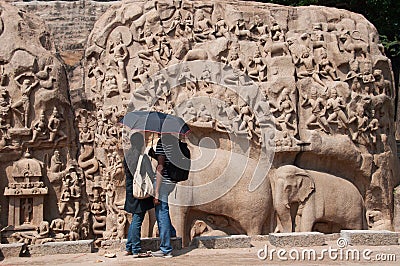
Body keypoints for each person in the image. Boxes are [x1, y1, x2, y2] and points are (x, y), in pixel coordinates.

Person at [124, 132, 154, 258]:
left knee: (134, 219)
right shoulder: (142, 157)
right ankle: (136, 249)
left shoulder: (127, 156)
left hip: (131, 191)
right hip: (140, 191)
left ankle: (129, 247)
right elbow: (150, 174)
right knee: (137, 220)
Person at [151, 134, 177, 258]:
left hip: (163, 182)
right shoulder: (174, 142)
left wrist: (156, 192)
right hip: (172, 181)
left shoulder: (163, 143)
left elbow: (160, 167)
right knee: (164, 211)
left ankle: (166, 249)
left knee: (162, 214)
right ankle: (172, 233)